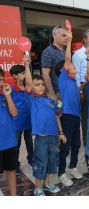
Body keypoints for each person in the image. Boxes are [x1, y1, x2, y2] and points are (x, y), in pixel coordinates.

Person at [24, 55, 67, 196]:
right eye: (38, 85)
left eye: (42, 84)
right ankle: (38, 188)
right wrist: (26, 65)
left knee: (51, 162)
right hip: (42, 138)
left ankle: (48, 184)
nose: (41, 87)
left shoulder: (49, 101)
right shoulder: (32, 100)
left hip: (54, 137)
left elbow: (57, 116)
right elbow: (29, 84)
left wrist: (61, 132)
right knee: (40, 162)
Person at [55, 31, 83, 187]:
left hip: (76, 116)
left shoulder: (73, 81)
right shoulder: (63, 78)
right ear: (64, 70)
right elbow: (66, 58)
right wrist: (70, 41)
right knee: (65, 147)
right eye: (70, 65)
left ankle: (72, 167)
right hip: (66, 116)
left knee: (76, 144)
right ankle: (61, 173)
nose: (73, 65)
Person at [72, 30, 89, 146]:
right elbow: (76, 74)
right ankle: (87, 142)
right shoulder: (77, 54)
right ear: (84, 39)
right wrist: (80, 90)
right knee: (86, 116)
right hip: (85, 86)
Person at [9, 65, 33, 173]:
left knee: (29, 142)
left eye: (25, 72)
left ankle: (31, 159)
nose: (25, 75)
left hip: (29, 120)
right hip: (17, 122)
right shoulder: (11, 89)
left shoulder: (29, 87)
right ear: (15, 75)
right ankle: (15, 164)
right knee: (16, 144)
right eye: (22, 73)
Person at [0, 68, 18, 196]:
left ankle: (13, 196)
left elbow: (14, 113)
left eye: (2, 79)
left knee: (11, 170)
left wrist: (7, 96)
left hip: (9, 141)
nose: (1, 82)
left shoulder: (6, 95)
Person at [41, 26, 68, 100]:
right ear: (54, 36)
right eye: (63, 35)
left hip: (66, 90)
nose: (66, 38)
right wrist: (52, 93)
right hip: (57, 93)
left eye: (67, 36)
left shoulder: (64, 50)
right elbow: (45, 73)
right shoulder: (48, 51)